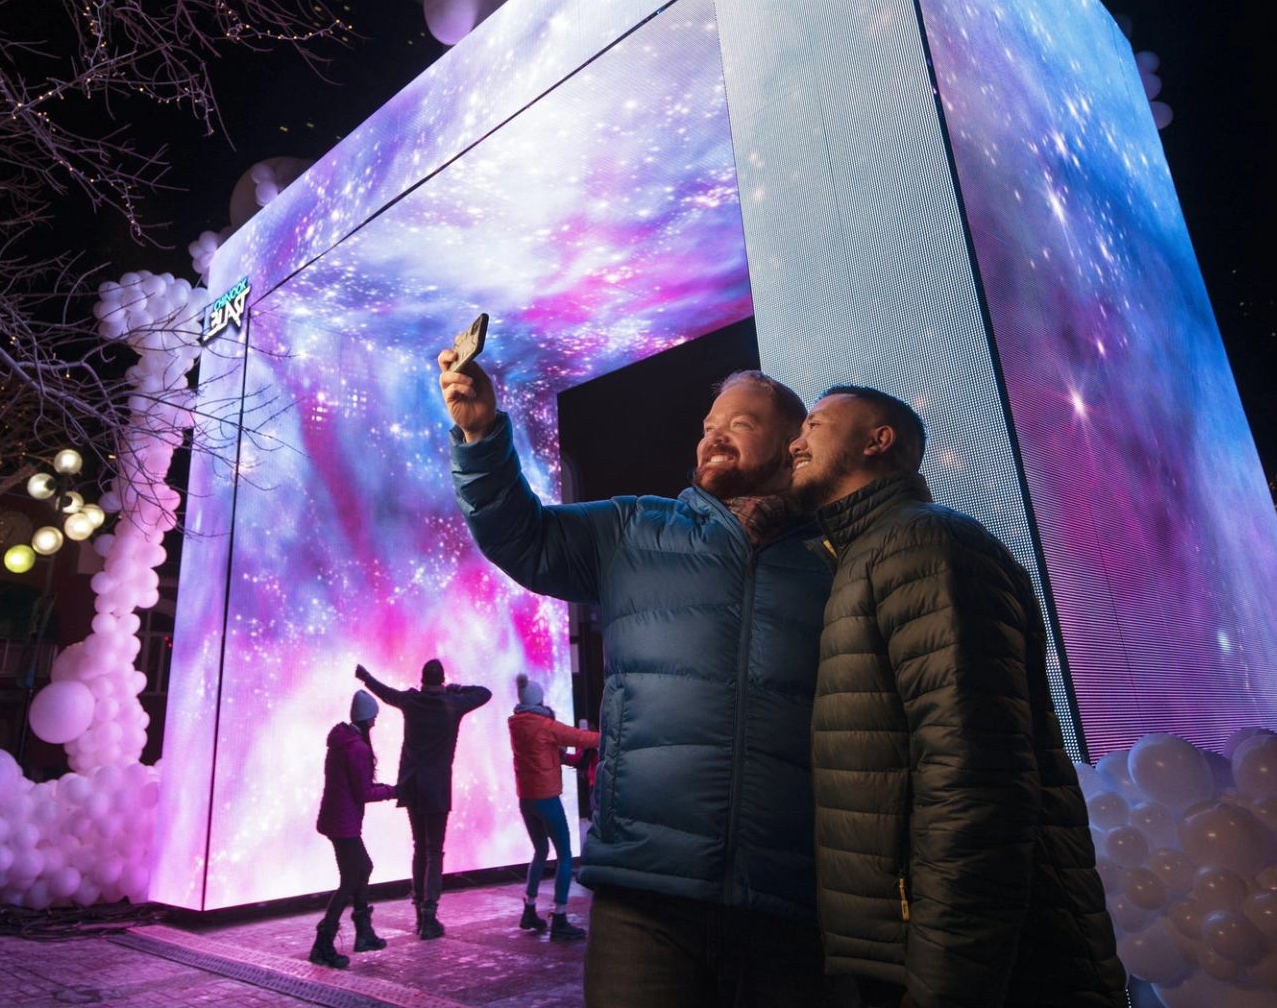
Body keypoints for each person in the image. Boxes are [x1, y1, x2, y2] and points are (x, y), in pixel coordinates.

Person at [437, 351, 840, 1008]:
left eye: (741, 421)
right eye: (710, 422)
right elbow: (524, 535)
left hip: (790, 905)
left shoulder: (834, 559)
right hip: (644, 899)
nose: (713, 433)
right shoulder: (635, 526)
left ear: (792, 445)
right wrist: (482, 438)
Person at [787, 384, 1125, 1007]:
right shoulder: (867, 557)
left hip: (973, 967)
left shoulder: (926, 545)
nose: (794, 441)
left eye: (814, 424)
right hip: (915, 955)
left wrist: (948, 985)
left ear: (877, 440)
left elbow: (975, 778)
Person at [355, 658, 492, 939]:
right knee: (434, 850)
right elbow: (484, 693)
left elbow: (385, 692)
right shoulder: (454, 704)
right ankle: (429, 915)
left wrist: (365, 676)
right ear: (441, 680)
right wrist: (455, 689)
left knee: (419, 848)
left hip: (412, 785)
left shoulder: (411, 702)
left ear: (422, 679)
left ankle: (419, 912)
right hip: (437, 788)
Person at [311, 688, 398, 970]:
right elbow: (363, 792)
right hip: (344, 821)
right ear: (366, 719)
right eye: (373, 719)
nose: (374, 723)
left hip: (337, 818)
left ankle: (363, 933)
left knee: (362, 868)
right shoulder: (357, 748)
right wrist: (394, 791)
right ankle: (324, 942)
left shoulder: (341, 742)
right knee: (351, 877)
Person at [507, 673, 598, 941]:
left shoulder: (516, 725)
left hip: (526, 798)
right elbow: (581, 738)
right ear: (539, 701)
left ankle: (530, 909)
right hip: (547, 797)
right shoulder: (545, 725)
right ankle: (559, 917)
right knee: (565, 856)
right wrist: (612, 734)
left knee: (540, 850)